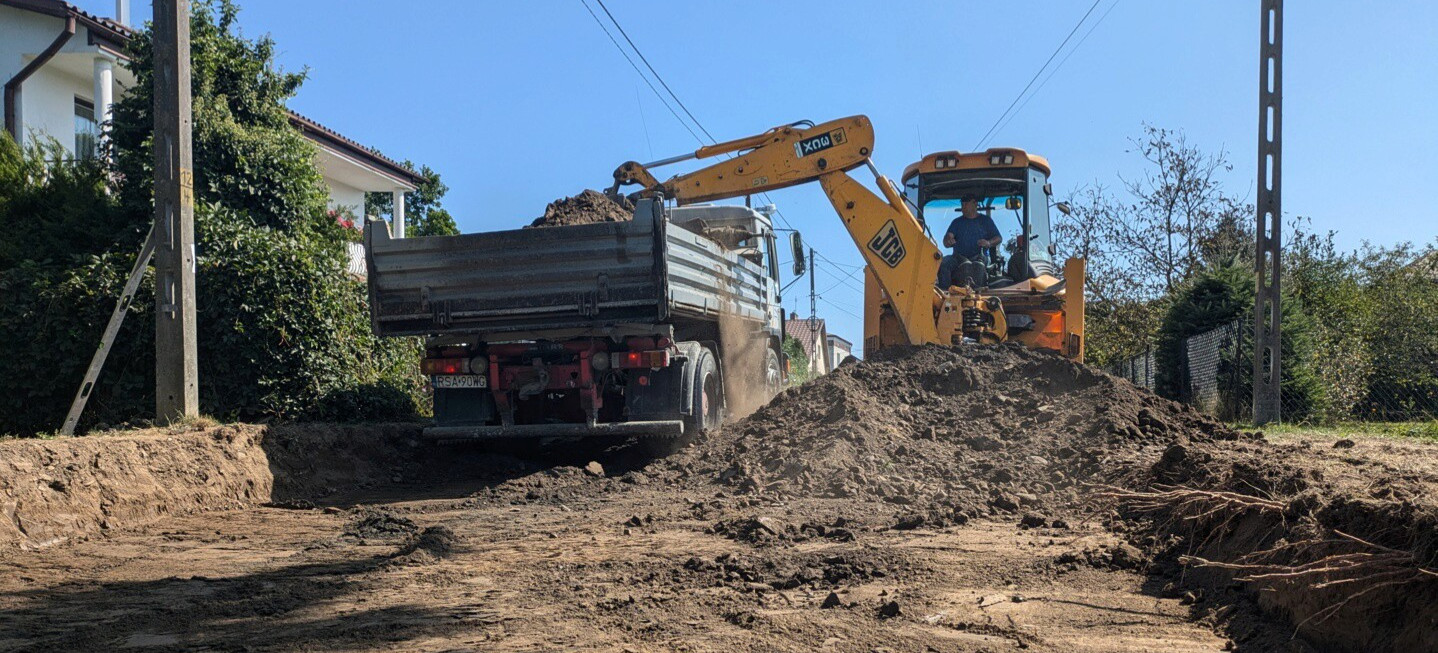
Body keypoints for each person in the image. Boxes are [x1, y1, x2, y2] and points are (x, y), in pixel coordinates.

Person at [936, 198, 1001, 288]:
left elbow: (998, 238)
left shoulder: (986, 221)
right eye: (962, 205)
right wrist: (948, 240)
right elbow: (947, 239)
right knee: (944, 264)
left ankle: (980, 291)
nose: (963, 207)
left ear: (975, 204)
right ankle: (944, 294)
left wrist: (988, 243)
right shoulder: (957, 222)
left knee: (978, 266)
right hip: (958, 258)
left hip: (980, 256)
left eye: (965, 204)